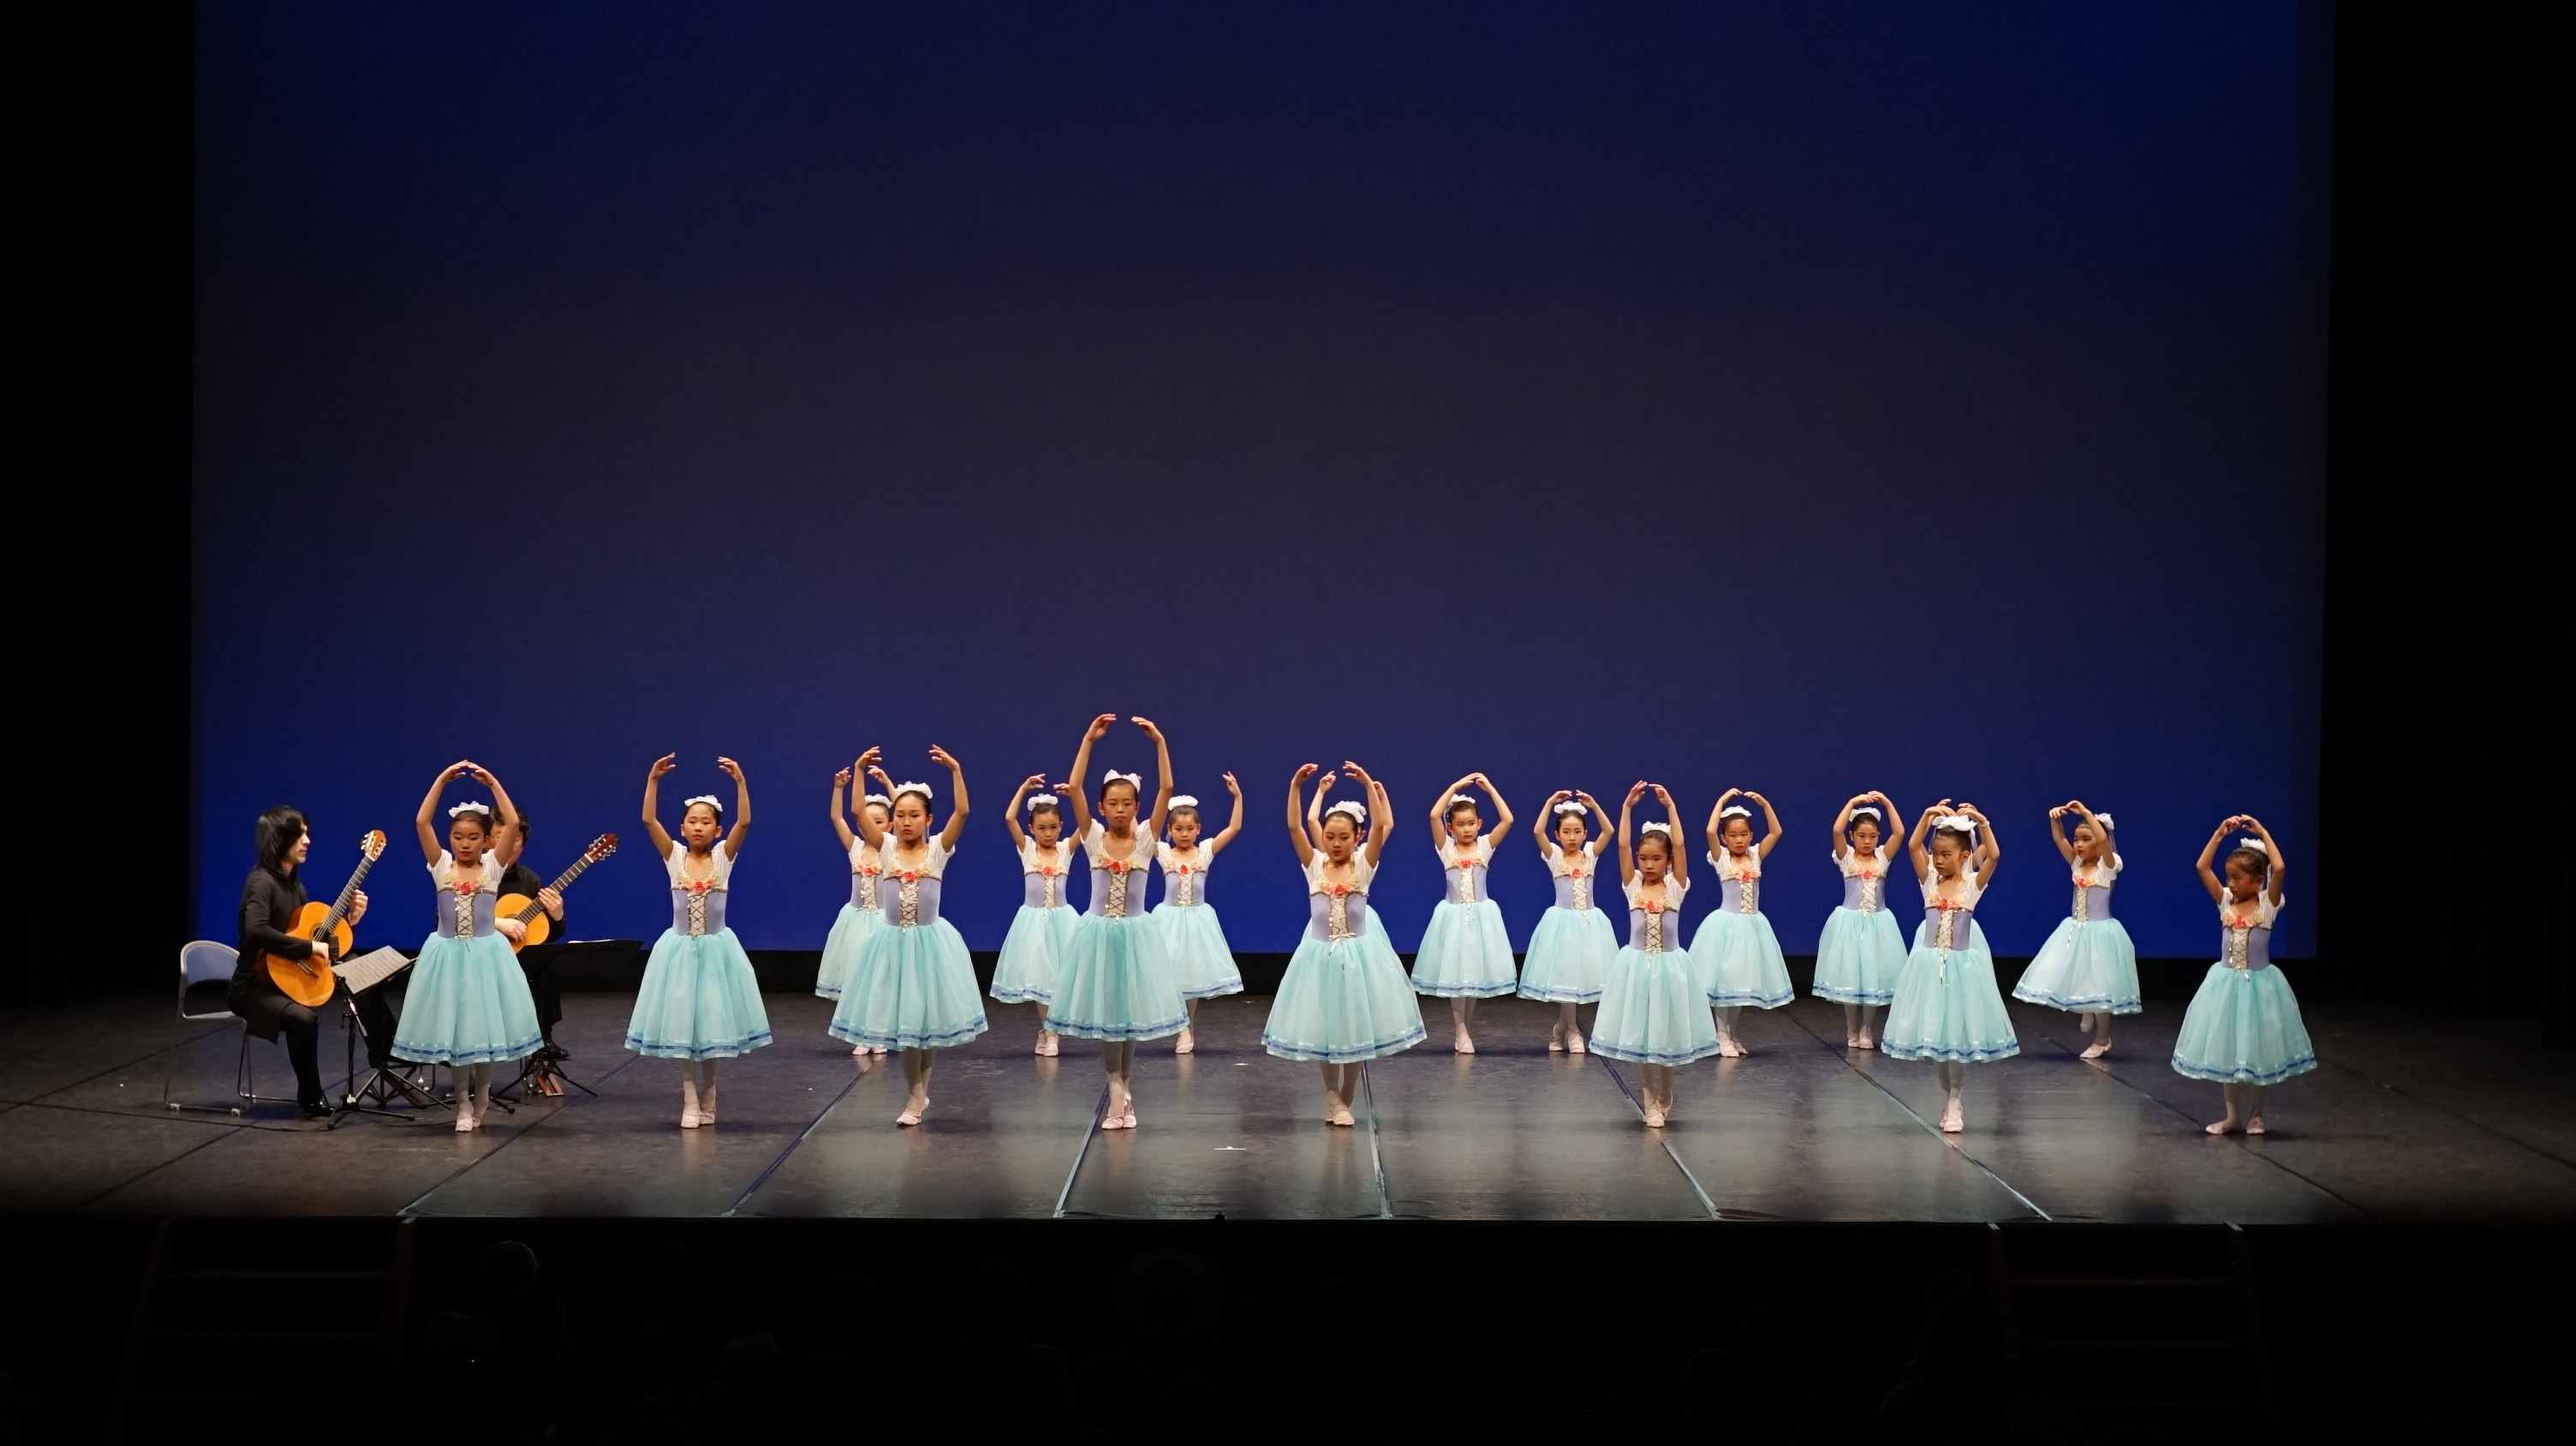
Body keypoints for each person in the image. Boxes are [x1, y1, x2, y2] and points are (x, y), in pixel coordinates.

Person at [1046, 714, 1188, 1131]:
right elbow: (1074, 787)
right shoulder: (1092, 837)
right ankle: (1115, 1092)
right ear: (1101, 808)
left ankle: (1125, 1088)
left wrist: (1160, 742)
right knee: (1110, 1020)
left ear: (1137, 808)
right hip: (1098, 936)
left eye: (1127, 803)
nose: (1121, 809)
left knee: (1128, 1022)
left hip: (1136, 936)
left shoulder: (1146, 839)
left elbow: (1167, 788)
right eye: (1113, 803)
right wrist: (1088, 740)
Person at [830, 746, 984, 1124]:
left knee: (924, 1028)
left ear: (928, 819)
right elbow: (856, 812)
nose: (905, 822)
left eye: (914, 815)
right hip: (893, 944)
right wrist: (859, 770)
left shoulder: (938, 850)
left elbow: (963, 811)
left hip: (930, 945)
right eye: (899, 815)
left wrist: (956, 770)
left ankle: (919, 1093)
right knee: (905, 1028)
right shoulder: (885, 848)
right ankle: (915, 1095)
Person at [1264, 763, 1424, 1126]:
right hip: (1319, 956)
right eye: (1330, 837)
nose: (1336, 844)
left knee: (1354, 1026)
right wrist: (1296, 786)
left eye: (1343, 838)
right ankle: (1333, 1097)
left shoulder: (1364, 867)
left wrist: (1369, 785)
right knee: (1325, 1027)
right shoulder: (1314, 866)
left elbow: (1382, 827)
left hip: (1357, 957)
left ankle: (1348, 1091)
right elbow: (1295, 826)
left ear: (1356, 837)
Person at [391, 762, 546, 1132]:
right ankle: (462, 1102)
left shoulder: (493, 867)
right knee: (458, 1035)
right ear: (450, 838)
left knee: (483, 1032)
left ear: (486, 840)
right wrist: (440, 782)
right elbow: (421, 822)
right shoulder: (441, 865)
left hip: (485, 957)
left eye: (473, 837)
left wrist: (493, 784)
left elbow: (511, 822)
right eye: (458, 837)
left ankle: (482, 1096)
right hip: (447, 957)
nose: (465, 844)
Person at [626, 755, 772, 1128]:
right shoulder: (674, 856)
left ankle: (711, 1091)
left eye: (706, 822)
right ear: (683, 827)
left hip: (716, 953)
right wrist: (653, 780)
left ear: (717, 830)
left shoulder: (723, 857)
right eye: (692, 821)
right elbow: (648, 820)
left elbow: (745, 822)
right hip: (679, 952)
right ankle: (689, 1097)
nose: (698, 827)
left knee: (711, 1024)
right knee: (683, 1028)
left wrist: (740, 782)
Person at [1880, 804, 2018, 1132]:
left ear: (1965, 855)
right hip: (1928, 969)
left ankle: (1956, 1098)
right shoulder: (1928, 882)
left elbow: (1994, 856)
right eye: (1936, 854)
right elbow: (1913, 845)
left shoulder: (1972, 886)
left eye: (1946, 855)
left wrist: (1983, 822)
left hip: (1960, 970)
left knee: (1956, 1040)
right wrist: (1927, 816)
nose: (1938, 860)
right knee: (1937, 1045)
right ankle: (1947, 1092)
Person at [2173, 816, 2314, 1133]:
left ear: (2258, 881)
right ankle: (2232, 1116)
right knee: (2229, 1051)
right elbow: (2201, 867)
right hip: (2225, 986)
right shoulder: (2226, 901)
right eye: (2229, 877)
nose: (2232, 883)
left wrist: (2262, 832)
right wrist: (2219, 834)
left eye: (2237, 878)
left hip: (2259, 987)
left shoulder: (2268, 904)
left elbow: (2280, 868)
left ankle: (2257, 1114)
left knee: (2257, 1050)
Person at [228, 806, 370, 1118]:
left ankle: (386, 1057)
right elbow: (256, 930)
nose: (307, 841)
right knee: (303, 1019)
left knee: (358, 974)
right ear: (279, 839)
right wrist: (308, 947)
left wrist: (351, 922)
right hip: (251, 987)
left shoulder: (296, 887)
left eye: (307, 833)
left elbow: (317, 945)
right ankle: (311, 1096)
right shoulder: (261, 883)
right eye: (299, 834)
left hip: (282, 980)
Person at [1589, 784, 1718, 1127]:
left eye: (1656, 859)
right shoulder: (1632, 885)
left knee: (1666, 1033)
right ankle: (1648, 1098)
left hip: (1669, 967)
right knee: (1642, 1035)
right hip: (1636, 967)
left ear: (1669, 861)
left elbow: (1681, 843)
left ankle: (1666, 1091)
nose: (1648, 864)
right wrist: (1627, 807)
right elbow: (1621, 845)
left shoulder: (1676, 886)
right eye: (1644, 858)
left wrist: (1671, 807)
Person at [2011, 800, 2139, 1058]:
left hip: (2101, 933)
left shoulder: (2108, 866)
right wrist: (2055, 819)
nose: (2078, 844)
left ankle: (2102, 1039)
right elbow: (2059, 839)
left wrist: (2086, 814)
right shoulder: (2077, 864)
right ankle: (2086, 1008)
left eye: (2085, 839)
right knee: (2077, 975)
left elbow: (2103, 839)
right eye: (2077, 839)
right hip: (2075, 929)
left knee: (2100, 985)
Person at [1407, 774, 1520, 1053]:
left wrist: (1490, 789)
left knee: (1472, 977)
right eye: (1460, 824)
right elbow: (1434, 815)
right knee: (1457, 977)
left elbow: (1508, 820)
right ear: (1451, 827)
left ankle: (1464, 1029)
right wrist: (1454, 787)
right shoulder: (1446, 848)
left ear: (1479, 824)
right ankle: (1460, 1029)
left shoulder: (1485, 846)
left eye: (1471, 823)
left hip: (1481, 918)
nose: (1466, 829)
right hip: (1454, 916)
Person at [1689, 789, 1793, 1057]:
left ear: (1750, 835)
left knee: (1738, 986)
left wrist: (1765, 804)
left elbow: (1777, 832)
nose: (1738, 840)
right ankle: (1721, 1035)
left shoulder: (1755, 855)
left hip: (1752, 926)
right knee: (1725, 984)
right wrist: (1721, 801)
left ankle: (1732, 1034)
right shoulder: (1721, 857)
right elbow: (1709, 831)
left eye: (1743, 834)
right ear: (1725, 838)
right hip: (1727, 927)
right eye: (1733, 835)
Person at [1516, 789, 1620, 1053]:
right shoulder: (1554, 856)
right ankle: (1573, 1030)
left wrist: (1594, 806)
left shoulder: (1590, 854)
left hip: (1589, 923)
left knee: (1577, 981)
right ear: (1558, 834)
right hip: (1562, 925)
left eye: (1577, 832)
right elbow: (1537, 832)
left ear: (1585, 834)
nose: (1572, 837)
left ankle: (1561, 1030)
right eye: (1566, 832)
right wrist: (1550, 803)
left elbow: (1609, 831)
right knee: (1567, 980)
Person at [1154, 772, 1247, 1055]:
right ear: (1170, 829)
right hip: (1168, 919)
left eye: (1189, 829)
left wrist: (1237, 797)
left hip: (1197, 920)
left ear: (1198, 829)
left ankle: (1187, 1028)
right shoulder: (1163, 852)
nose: (1184, 834)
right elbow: (1141, 831)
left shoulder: (1205, 851)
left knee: (1190, 977)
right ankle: (1177, 1024)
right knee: (1170, 976)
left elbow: (1234, 828)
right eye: (1179, 829)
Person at [992, 775, 1079, 1055]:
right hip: (1033, 923)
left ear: (1061, 826)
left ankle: (1049, 1030)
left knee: (1059, 980)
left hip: (1062, 921)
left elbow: (1088, 825)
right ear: (1032, 829)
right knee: (1042, 979)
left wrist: (1075, 796)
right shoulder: (1028, 849)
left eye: (1053, 827)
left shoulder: (1065, 850)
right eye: (1041, 828)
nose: (1048, 833)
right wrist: (1022, 788)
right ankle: (1050, 1032)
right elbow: (1009, 818)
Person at [1813, 792, 1907, 1049]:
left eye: (1873, 837)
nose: (1867, 841)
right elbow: (1836, 830)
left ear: (1878, 837)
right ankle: (1851, 1027)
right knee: (1851, 978)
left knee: (1872, 978)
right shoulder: (1846, 857)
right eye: (1862, 836)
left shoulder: (1882, 857)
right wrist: (1852, 803)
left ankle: (1867, 1028)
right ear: (1853, 836)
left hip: (1878, 924)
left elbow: (1899, 833)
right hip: (1850, 925)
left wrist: (1888, 804)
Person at [490, 810, 568, 1067]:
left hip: (517, 960)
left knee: (548, 966)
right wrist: (496, 923)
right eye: (500, 836)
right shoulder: (475, 875)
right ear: (487, 840)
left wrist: (557, 915)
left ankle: (543, 1039)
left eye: (515, 839)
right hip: (481, 958)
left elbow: (547, 934)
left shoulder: (530, 880)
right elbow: (447, 918)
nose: (508, 844)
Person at [814, 762, 891, 1018]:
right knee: (855, 970)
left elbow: (904, 811)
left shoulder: (893, 850)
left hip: (883, 920)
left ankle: (878, 1022)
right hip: (855, 920)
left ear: (890, 825)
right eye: (868, 821)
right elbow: (837, 818)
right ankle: (857, 1022)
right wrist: (839, 789)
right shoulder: (855, 846)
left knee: (880, 974)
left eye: (879, 821)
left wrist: (888, 785)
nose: (872, 826)